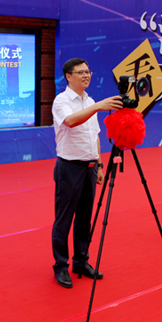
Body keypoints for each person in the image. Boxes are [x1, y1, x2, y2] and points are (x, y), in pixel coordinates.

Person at [51, 58, 123, 288]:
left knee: (85, 219)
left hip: (90, 168)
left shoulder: (90, 100)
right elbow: (71, 121)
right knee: (64, 219)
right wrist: (98, 107)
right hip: (69, 168)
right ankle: (61, 266)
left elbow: (95, 135)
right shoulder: (61, 101)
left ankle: (81, 261)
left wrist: (100, 165)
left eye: (88, 71)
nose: (86, 75)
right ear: (68, 76)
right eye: (80, 72)